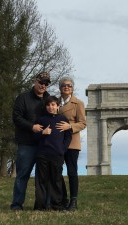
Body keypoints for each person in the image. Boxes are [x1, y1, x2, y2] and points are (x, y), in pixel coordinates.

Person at [10, 71, 51, 210]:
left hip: (44, 145)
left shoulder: (50, 100)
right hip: (26, 144)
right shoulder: (22, 98)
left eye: (46, 83)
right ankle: (17, 205)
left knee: (43, 178)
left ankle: (41, 205)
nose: (43, 85)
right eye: (41, 82)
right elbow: (16, 117)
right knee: (22, 175)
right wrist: (31, 127)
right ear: (35, 81)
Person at [33, 96, 72, 211]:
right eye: (48, 105)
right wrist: (43, 133)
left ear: (58, 106)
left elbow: (68, 135)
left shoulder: (63, 119)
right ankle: (40, 206)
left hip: (57, 155)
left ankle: (57, 206)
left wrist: (63, 149)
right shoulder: (41, 120)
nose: (51, 107)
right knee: (41, 181)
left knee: (56, 180)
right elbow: (34, 137)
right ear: (46, 107)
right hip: (42, 155)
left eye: (53, 105)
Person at [55, 77, 86, 211]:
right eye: (64, 85)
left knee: (72, 172)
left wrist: (69, 126)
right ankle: (62, 199)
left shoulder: (78, 103)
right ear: (60, 88)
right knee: (56, 171)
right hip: (57, 143)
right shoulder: (55, 103)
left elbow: (83, 123)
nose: (66, 87)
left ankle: (73, 201)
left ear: (72, 88)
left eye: (69, 85)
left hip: (72, 142)